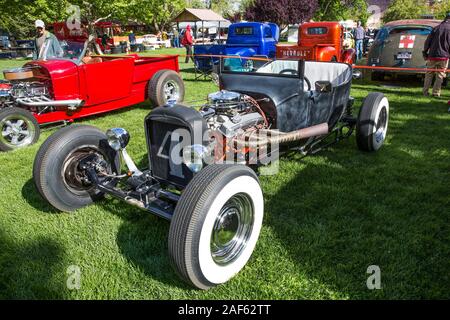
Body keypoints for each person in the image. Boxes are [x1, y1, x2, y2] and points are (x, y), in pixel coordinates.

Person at [423, 12, 450, 97]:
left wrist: (425, 52)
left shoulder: (436, 28)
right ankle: (436, 93)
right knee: (440, 75)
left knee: (429, 74)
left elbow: (427, 42)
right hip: (444, 56)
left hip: (432, 56)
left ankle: (425, 92)